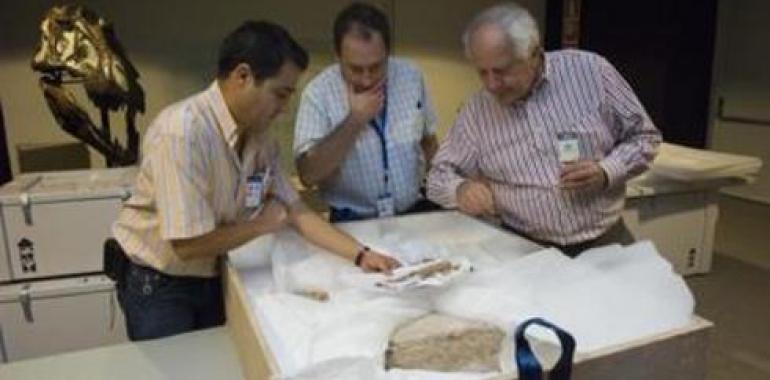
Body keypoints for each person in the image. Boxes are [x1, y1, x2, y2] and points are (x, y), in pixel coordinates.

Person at [111, 21, 399, 341]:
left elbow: (295, 209)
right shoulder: (183, 132)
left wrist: (362, 255)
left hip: (211, 272)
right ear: (242, 76)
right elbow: (187, 244)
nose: (283, 109)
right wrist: (261, 225)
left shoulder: (260, 138)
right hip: (160, 283)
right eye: (280, 94)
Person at [427, 3, 662, 257]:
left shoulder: (593, 72)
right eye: (482, 72)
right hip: (524, 249)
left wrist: (607, 171)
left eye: (502, 71)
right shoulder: (477, 112)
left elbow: (645, 138)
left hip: (604, 242)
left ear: (534, 54)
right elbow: (438, 176)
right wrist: (460, 190)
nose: (491, 84)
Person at [294, 2, 440, 222]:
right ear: (337, 55)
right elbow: (308, 174)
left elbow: (428, 142)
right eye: (355, 68)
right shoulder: (318, 93)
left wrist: (441, 194)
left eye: (376, 67)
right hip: (352, 221)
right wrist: (355, 120)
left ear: (387, 53)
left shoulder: (411, 76)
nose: (367, 78)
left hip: (411, 214)